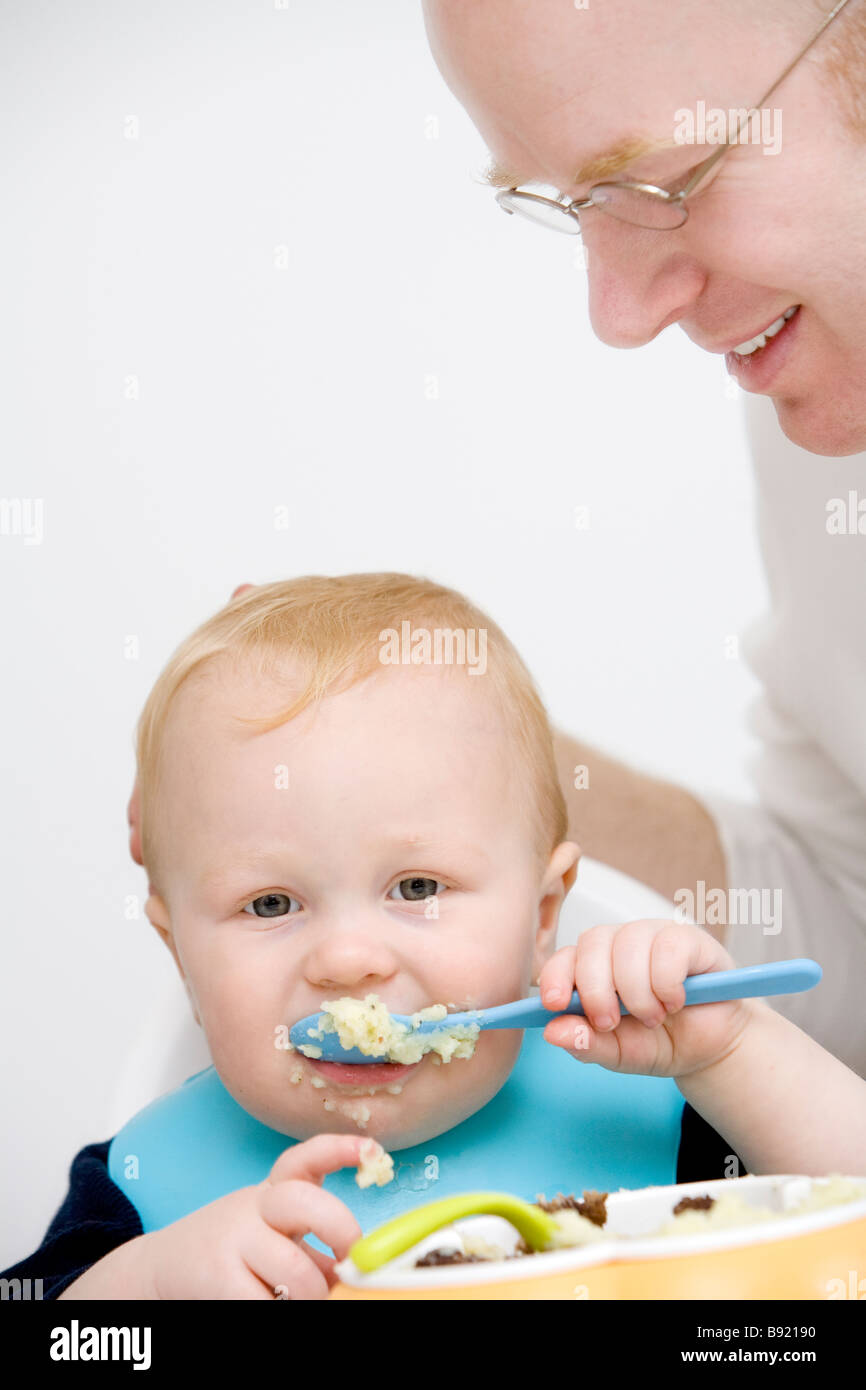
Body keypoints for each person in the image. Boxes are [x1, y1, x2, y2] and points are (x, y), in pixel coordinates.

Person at [4, 573, 865, 1300]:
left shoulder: (661, 1122)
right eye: (269, 905)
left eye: (417, 888)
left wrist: (730, 1054)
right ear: (179, 952)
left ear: (539, 916)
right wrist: (149, 1287)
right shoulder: (145, 1186)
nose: (347, 961)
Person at [420, 0, 866, 1074]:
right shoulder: (819, 417)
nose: (617, 314)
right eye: (575, 206)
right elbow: (848, 936)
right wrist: (479, 761)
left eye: (660, 183)